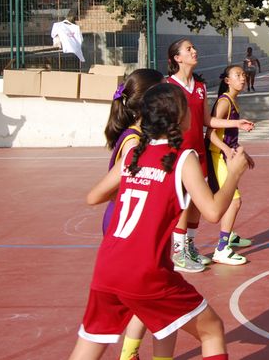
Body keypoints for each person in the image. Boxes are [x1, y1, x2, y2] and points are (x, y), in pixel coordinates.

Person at [68, 83, 251, 360]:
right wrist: (234, 173)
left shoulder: (133, 154)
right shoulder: (182, 158)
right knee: (212, 329)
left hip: (108, 265)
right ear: (179, 116)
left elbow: (93, 197)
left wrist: (140, 185)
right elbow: (213, 212)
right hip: (145, 271)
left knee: (90, 345)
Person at [166, 39, 254, 272]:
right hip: (179, 152)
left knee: (196, 201)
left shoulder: (200, 87)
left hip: (198, 151)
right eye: (188, 49)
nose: (194, 51)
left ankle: (191, 246)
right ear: (177, 58)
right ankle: (178, 252)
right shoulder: (168, 86)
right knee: (183, 203)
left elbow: (208, 122)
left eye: (194, 47)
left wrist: (237, 122)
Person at [100, 68, 165, 360]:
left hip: (125, 220)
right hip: (128, 222)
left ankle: (129, 353)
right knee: (154, 300)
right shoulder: (134, 142)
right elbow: (117, 188)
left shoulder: (137, 135)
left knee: (142, 299)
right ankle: (128, 354)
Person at [206, 65, 257, 266]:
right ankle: (221, 249)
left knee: (231, 199)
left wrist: (244, 154)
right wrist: (226, 151)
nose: (242, 78)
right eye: (237, 75)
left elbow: (227, 135)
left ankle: (231, 235)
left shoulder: (232, 101)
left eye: (243, 75)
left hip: (225, 155)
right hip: (218, 156)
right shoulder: (224, 102)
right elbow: (210, 131)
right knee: (234, 201)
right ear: (227, 80)